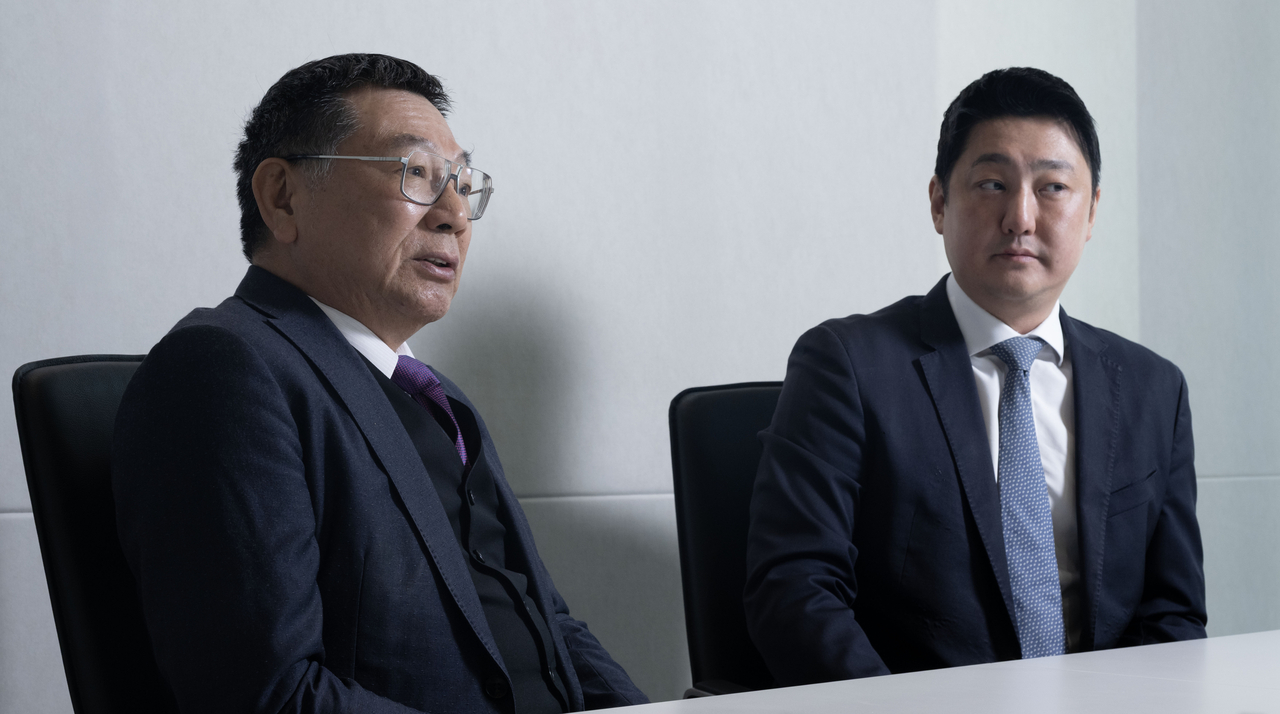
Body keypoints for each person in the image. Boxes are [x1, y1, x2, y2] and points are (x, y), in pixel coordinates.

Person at [113, 53, 648, 714]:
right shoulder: (224, 370)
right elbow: (269, 694)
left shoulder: (441, 399)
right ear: (282, 197)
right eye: (417, 174)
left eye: (461, 180)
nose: (455, 213)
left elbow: (550, 630)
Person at [743, 67, 1207, 686]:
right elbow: (794, 591)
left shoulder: (1154, 390)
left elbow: (1173, 615)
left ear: (1092, 210)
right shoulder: (848, 366)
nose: (1020, 217)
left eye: (1053, 188)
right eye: (992, 183)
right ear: (939, 201)